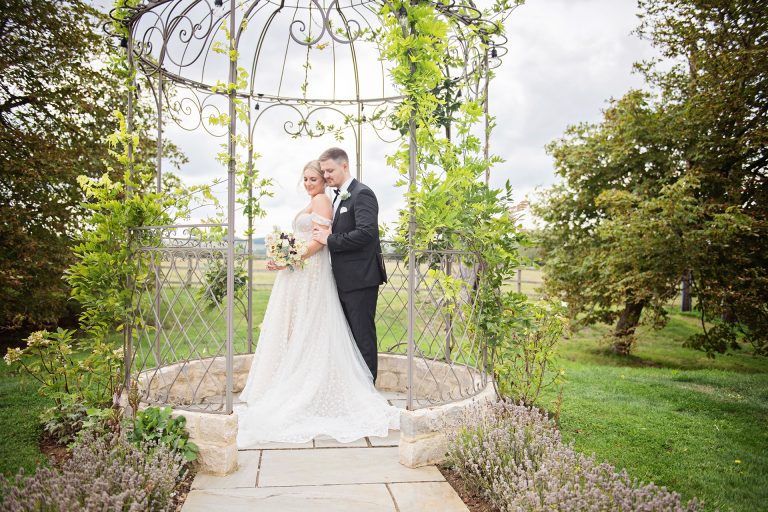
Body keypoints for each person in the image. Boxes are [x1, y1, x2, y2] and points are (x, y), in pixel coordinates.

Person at [235, 160, 399, 447]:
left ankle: (361, 390)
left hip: (319, 273)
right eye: (308, 178)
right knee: (303, 330)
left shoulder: (330, 199)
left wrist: (290, 258)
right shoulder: (322, 199)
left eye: (318, 177)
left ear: (333, 174)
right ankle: (300, 383)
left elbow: (323, 241)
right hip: (304, 274)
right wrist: (285, 255)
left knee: (338, 331)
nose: (312, 182)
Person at [312, 147, 387, 383]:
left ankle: (367, 389)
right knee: (347, 338)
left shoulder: (362, 194)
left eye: (330, 170)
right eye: (323, 171)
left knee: (362, 336)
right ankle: (352, 388)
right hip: (342, 279)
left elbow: (366, 233)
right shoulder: (337, 195)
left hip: (361, 279)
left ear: (345, 166)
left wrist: (330, 239)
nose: (326, 176)